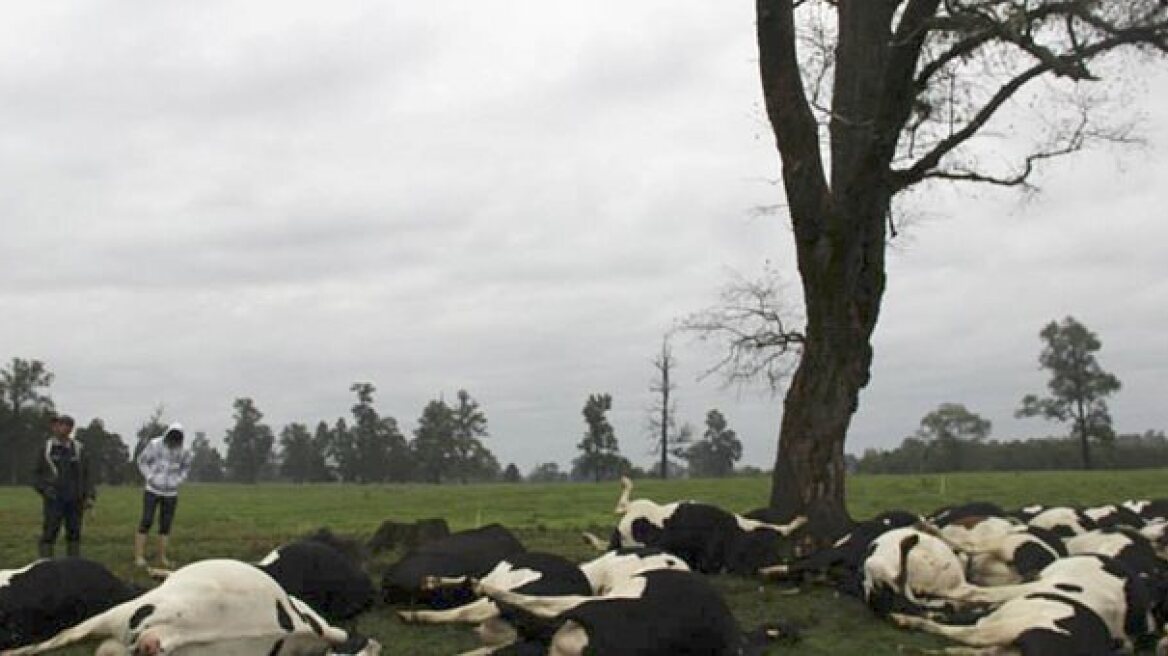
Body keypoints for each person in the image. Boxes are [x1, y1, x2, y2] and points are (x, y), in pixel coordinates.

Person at [32, 414, 95, 558]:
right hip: (54, 499)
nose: (63, 428)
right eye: (60, 425)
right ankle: (45, 563)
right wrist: (45, 489)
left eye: (67, 425)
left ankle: (73, 564)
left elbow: (87, 475)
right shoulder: (47, 449)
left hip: (75, 499)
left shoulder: (78, 449)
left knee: (74, 532)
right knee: (50, 532)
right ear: (54, 427)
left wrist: (90, 495)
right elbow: (36, 474)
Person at [134, 422, 192, 567]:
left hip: (171, 492)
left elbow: (185, 468)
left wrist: (177, 481)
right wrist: (150, 477)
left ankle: (162, 557)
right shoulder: (155, 445)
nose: (173, 443)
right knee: (146, 521)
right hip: (152, 490)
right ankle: (139, 556)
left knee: (165, 525)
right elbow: (142, 461)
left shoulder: (185, 451)